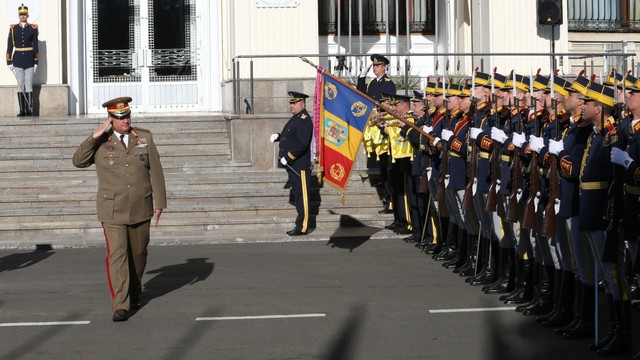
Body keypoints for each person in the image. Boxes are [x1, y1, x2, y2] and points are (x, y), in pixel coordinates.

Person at [72, 97, 167, 322]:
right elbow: (78, 161)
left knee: (138, 254)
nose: (125, 120)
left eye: (127, 116)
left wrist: (160, 203)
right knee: (118, 256)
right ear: (110, 119)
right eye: (120, 117)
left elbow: (156, 171)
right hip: (112, 209)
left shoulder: (144, 138)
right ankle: (120, 305)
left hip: (141, 206)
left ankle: (135, 291)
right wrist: (94, 136)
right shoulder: (100, 142)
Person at [270, 91, 313, 236]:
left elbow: (302, 143)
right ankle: (300, 224)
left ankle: (302, 226)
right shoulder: (296, 118)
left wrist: (288, 157)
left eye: (294, 103)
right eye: (291, 103)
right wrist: (279, 137)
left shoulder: (304, 120)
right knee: (298, 195)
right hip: (293, 166)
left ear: (302, 104)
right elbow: (291, 136)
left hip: (299, 165)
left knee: (302, 196)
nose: (292, 106)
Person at [6, 3, 39, 117]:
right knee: (20, 85)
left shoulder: (33, 28)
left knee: (29, 84)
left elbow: (36, 46)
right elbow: (10, 45)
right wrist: (8, 60)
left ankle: (30, 110)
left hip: (29, 59)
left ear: (28, 15)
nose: (23, 16)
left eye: (25, 14)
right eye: (21, 15)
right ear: (18, 16)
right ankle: (22, 110)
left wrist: (36, 61)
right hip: (18, 59)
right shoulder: (13, 29)